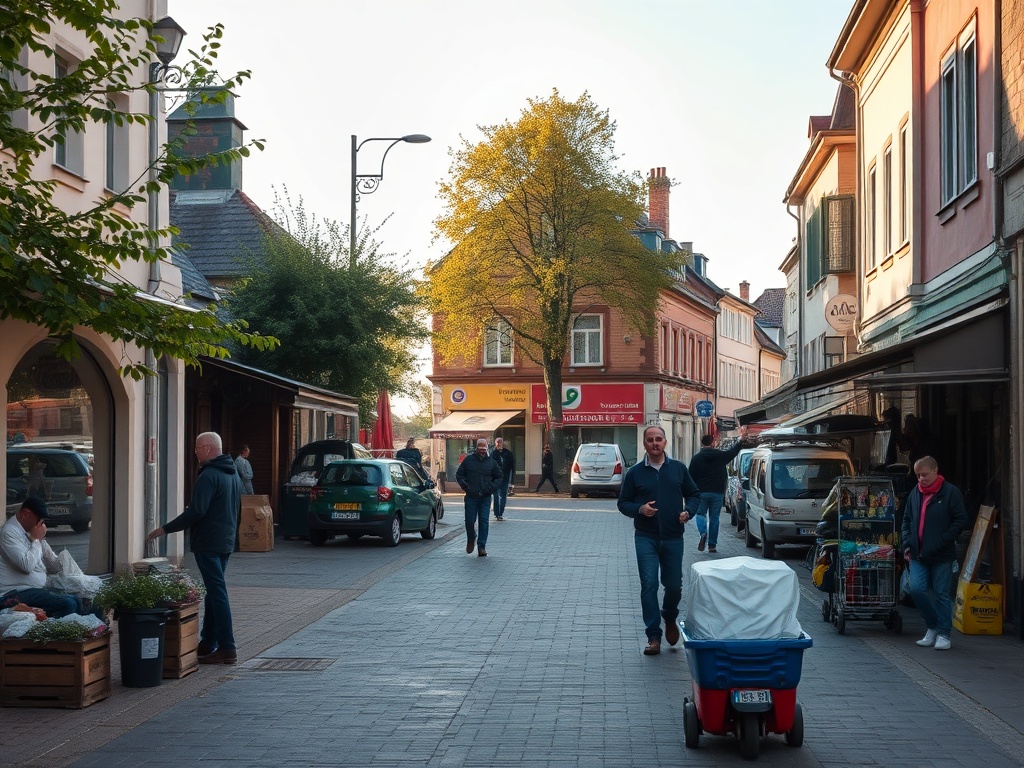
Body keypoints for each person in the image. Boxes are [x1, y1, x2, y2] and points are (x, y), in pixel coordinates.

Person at [147, 432, 243, 664]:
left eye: (198, 448)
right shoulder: (232, 474)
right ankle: (208, 642)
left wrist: (165, 529)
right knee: (214, 590)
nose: (195, 452)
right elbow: (238, 508)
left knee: (217, 592)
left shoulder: (209, 475)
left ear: (208, 448)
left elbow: (197, 510)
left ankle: (227, 647)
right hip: (225, 541)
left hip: (209, 542)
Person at [617, 425, 701, 655]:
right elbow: (623, 503)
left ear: (665, 442)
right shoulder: (635, 473)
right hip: (646, 537)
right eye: (650, 439)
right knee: (649, 584)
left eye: (659, 439)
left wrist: (688, 512)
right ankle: (653, 636)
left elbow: (694, 495)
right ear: (644, 444)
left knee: (674, 586)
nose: (655, 443)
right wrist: (640, 509)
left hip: (674, 537)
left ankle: (670, 616)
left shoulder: (678, 469)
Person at [900, 456, 968, 651]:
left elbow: (960, 519)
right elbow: (906, 520)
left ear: (936, 471)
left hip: (941, 554)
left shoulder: (950, 493)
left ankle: (944, 634)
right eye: (918, 475)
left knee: (941, 593)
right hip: (917, 553)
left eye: (924, 474)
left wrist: (943, 539)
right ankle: (932, 626)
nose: (921, 479)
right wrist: (907, 542)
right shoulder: (915, 493)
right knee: (915, 589)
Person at [0, 497, 99, 619]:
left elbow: (53, 565)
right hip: (17, 592)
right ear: (26, 514)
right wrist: (36, 539)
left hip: (37, 589)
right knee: (68, 604)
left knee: (85, 599)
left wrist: (63, 560)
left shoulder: (30, 531)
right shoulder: (9, 532)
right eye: (39, 520)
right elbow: (26, 565)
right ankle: (57, 633)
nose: (41, 524)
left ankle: (91, 632)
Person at [687, 434, 745, 554]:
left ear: (702, 443)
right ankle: (712, 545)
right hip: (717, 492)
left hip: (701, 492)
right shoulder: (720, 456)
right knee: (714, 518)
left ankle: (703, 533)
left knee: (700, 514)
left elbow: (690, 477)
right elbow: (732, 452)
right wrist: (740, 441)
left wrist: (689, 494)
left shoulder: (696, 458)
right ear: (713, 442)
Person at [456, 438, 501, 557]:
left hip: (485, 497)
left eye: (484, 448)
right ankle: (471, 538)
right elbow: (459, 474)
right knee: (470, 521)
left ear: (487, 448)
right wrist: (466, 486)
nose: (482, 450)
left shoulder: (491, 462)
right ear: (476, 448)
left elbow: (499, 477)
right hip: (471, 496)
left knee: (484, 521)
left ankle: (482, 547)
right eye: (479, 448)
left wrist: (490, 488)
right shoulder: (468, 460)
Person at [491, 437, 515, 520]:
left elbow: (513, 467)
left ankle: (500, 514)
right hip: (495, 479)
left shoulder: (508, 453)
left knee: (503, 496)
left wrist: (512, 481)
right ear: (495, 443)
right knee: (496, 496)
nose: (499, 444)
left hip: (505, 478)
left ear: (503, 443)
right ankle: (496, 513)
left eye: (500, 442)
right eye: (497, 442)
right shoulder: (493, 453)